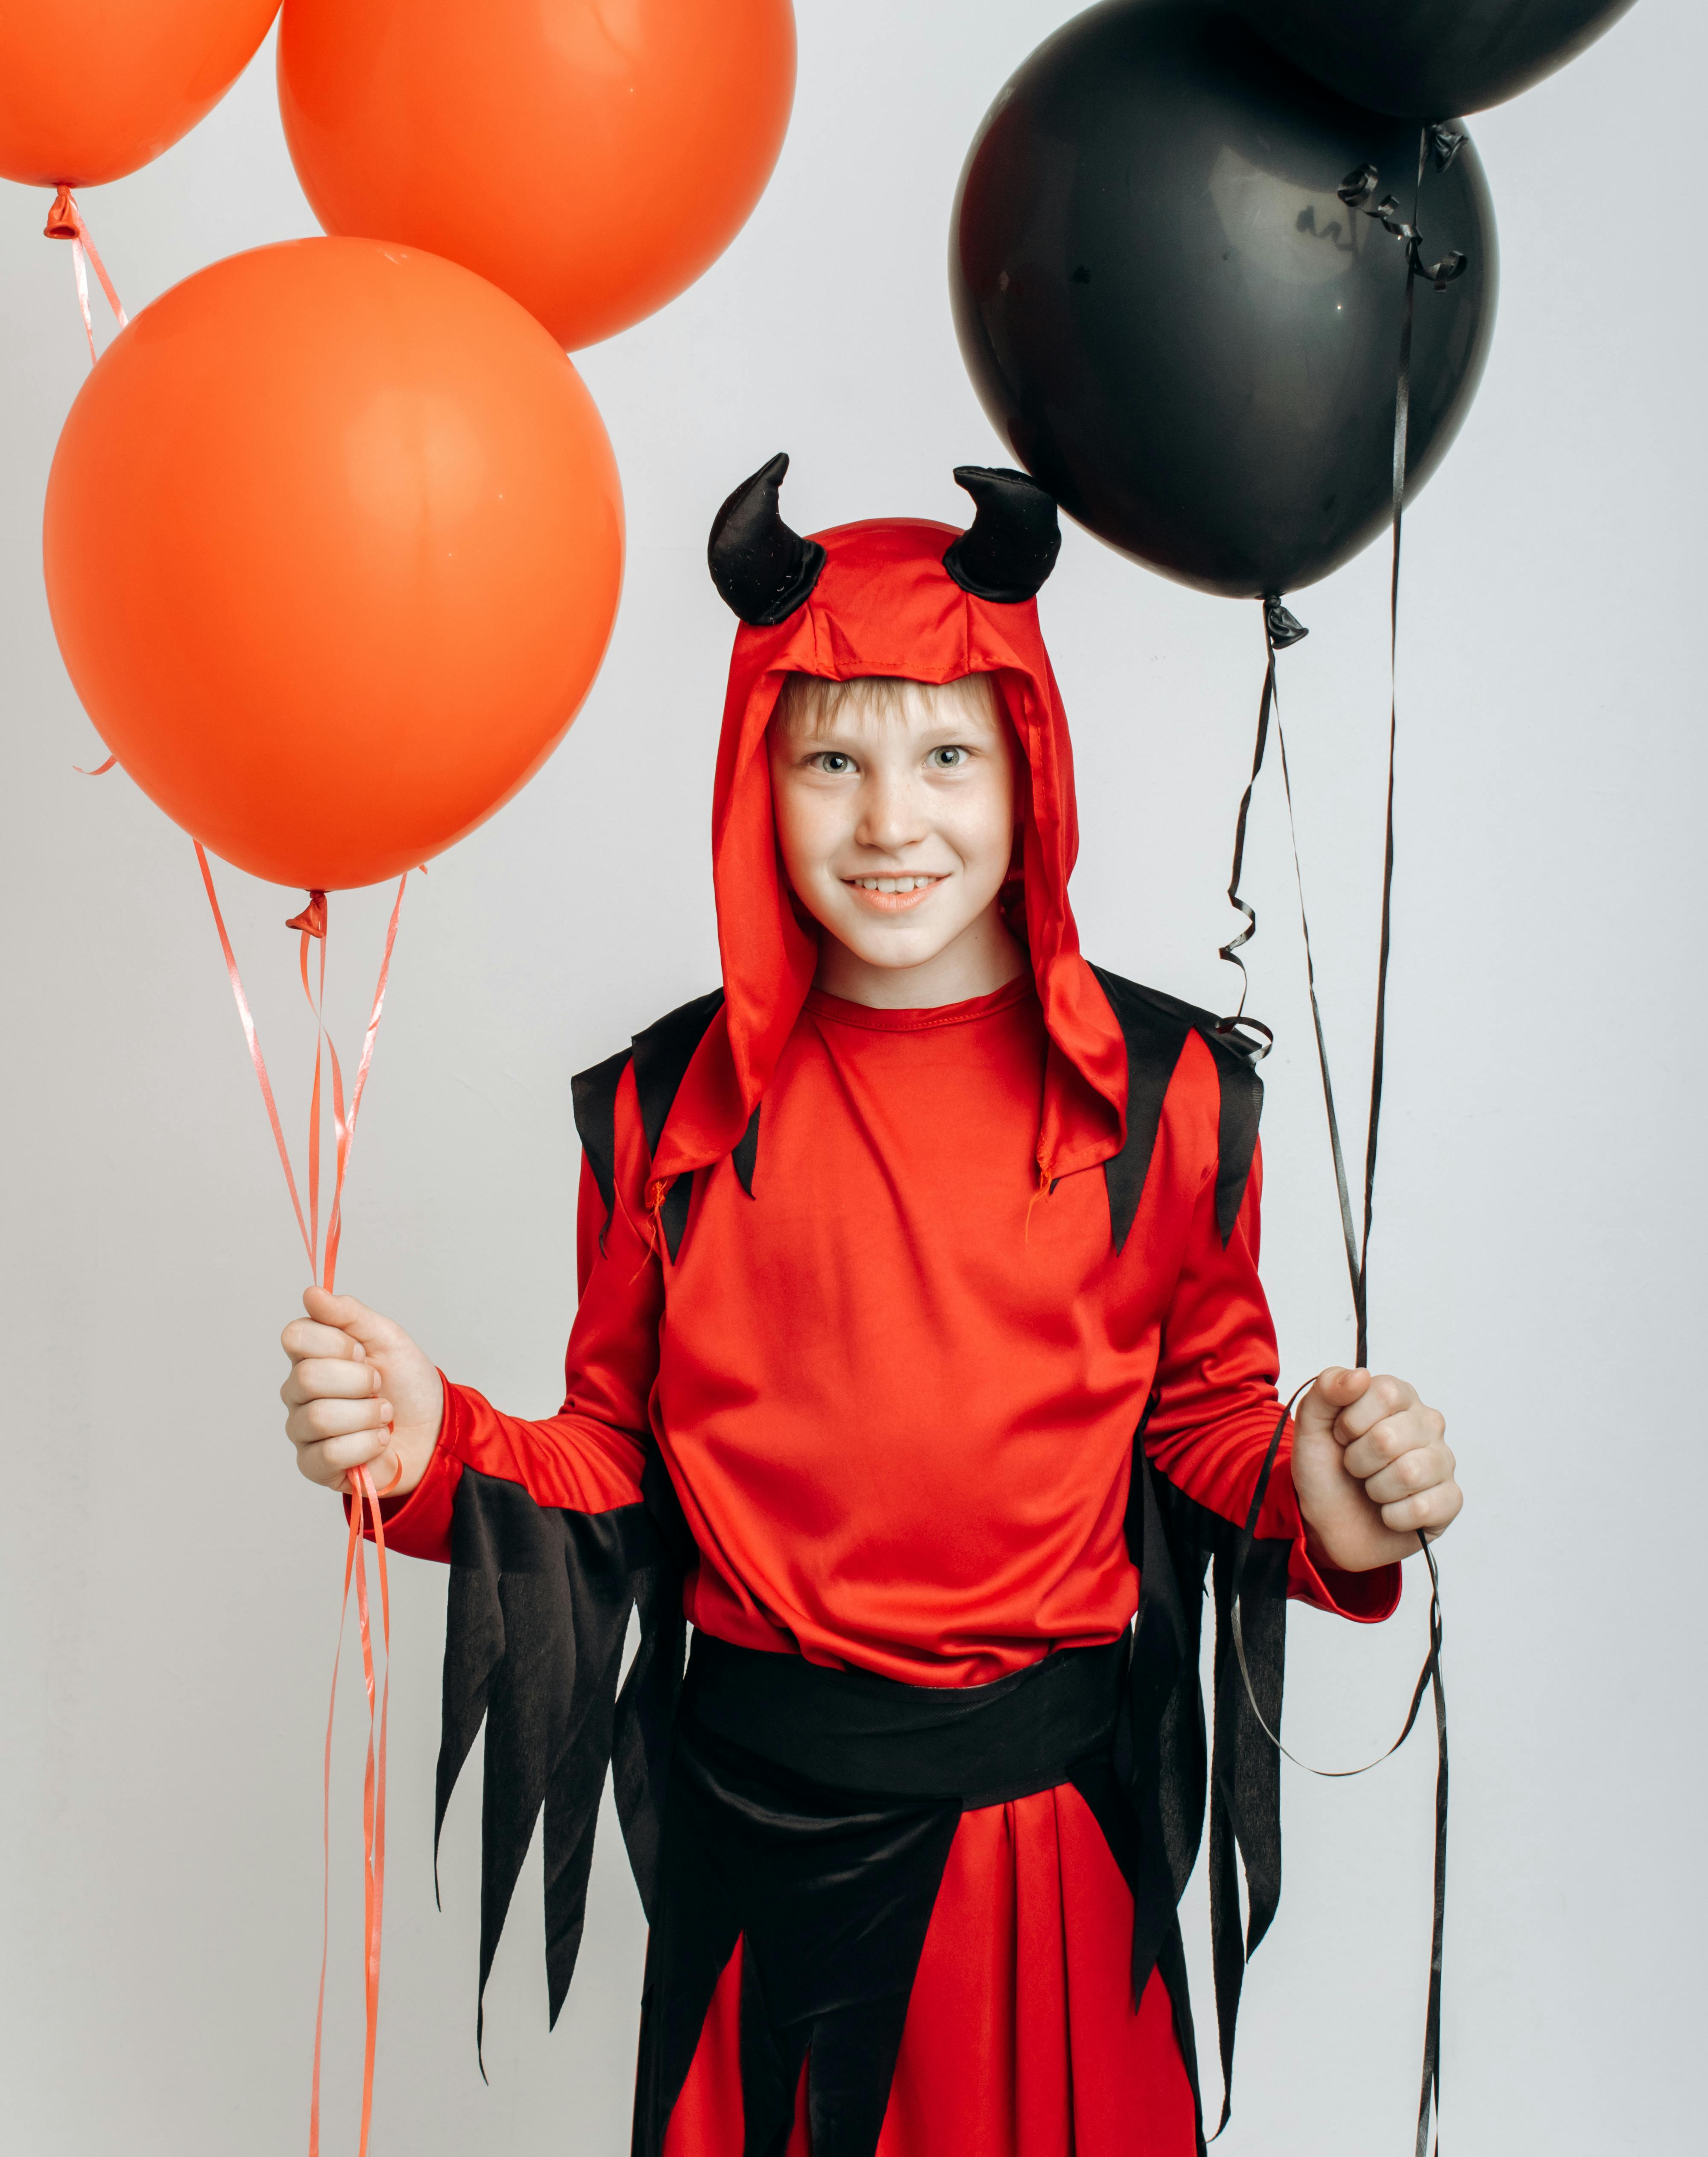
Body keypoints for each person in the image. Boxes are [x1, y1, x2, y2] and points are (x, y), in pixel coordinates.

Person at [278, 459, 1461, 2157]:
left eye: (946, 755)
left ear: (1030, 761)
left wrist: (1320, 1509)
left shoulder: (1170, 1095)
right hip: (760, 1844)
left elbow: (1202, 1426)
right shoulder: (661, 1116)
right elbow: (614, 1464)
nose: (891, 821)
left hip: (1051, 1850)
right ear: (754, 778)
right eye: (831, 758)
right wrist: (436, 1444)